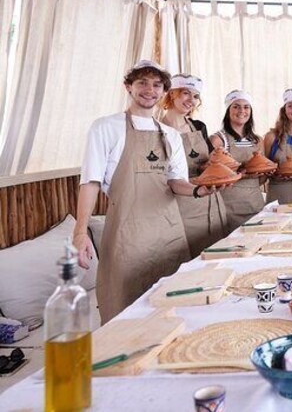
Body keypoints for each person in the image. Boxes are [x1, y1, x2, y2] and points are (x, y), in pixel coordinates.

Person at [71, 60, 219, 323]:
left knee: (173, 307)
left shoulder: (170, 135)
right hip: (128, 235)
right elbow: (91, 182)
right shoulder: (106, 127)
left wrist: (200, 190)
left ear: (163, 91)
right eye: (142, 83)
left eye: (156, 84)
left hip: (169, 233)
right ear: (128, 86)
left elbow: (176, 182)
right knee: (125, 309)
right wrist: (81, 231)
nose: (149, 90)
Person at [159, 74, 228, 259]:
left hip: (212, 200)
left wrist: (213, 160)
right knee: (194, 259)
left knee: (218, 256)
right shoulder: (158, 130)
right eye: (185, 93)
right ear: (172, 94)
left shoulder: (198, 126)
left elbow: (205, 162)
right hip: (184, 204)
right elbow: (161, 174)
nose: (191, 100)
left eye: (196, 96)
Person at [209, 90, 266, 229]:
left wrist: (265, 172)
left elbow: (261, 180)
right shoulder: (218, 139)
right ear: (228, 110)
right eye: (236, 106)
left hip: (256, 205)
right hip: (229, 207)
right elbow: (211, 176)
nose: (242, 111)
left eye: (246, 107)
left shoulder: (257, 140)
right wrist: (241, 174)